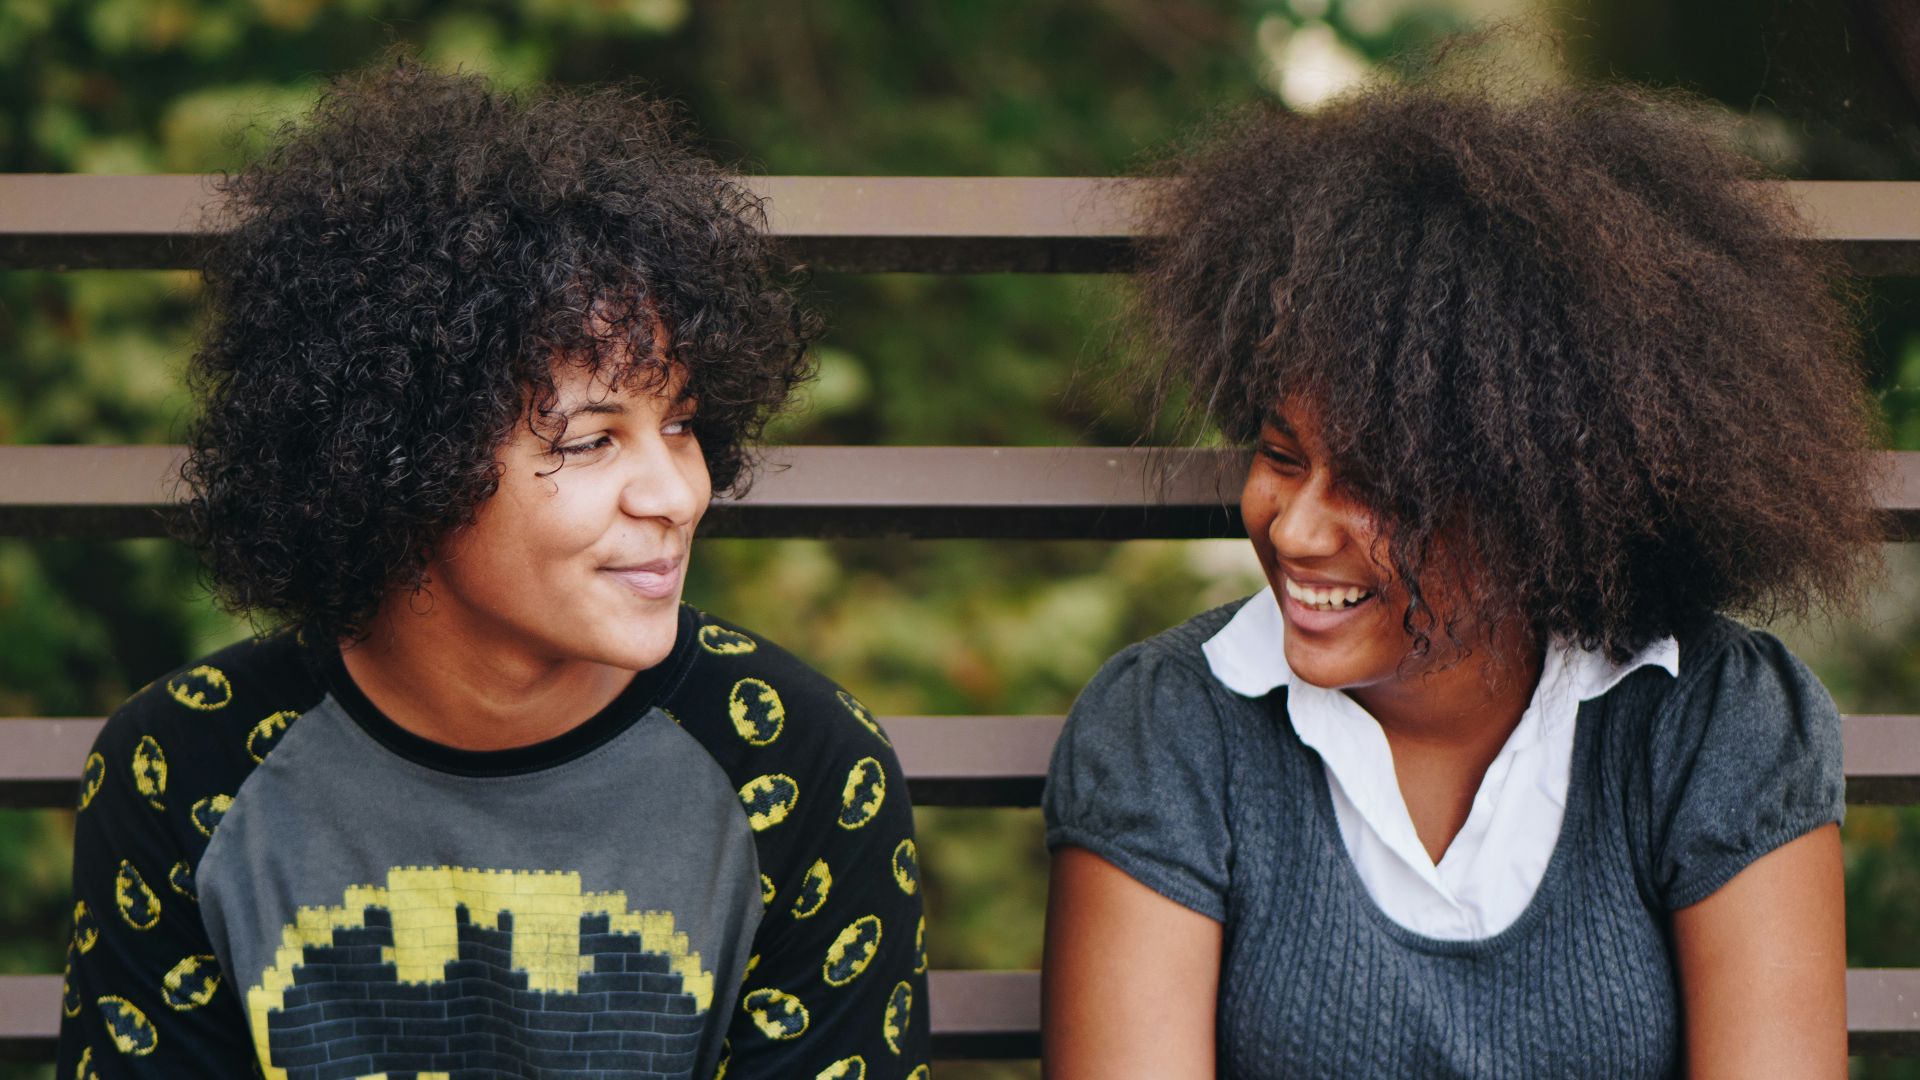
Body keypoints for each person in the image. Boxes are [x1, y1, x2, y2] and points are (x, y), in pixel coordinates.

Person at [59, 59, 928, 1080]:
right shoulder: (186, 769)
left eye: (682, 424)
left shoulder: (796, 765)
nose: (678, 494)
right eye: (593, 439)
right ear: (404, 455)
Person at [1042, 71, 1883, 1079]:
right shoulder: (1171, 727)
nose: (1300, 531)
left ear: (1545, 495)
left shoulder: (1712, 722)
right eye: (1281, 455)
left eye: (1382, 484)